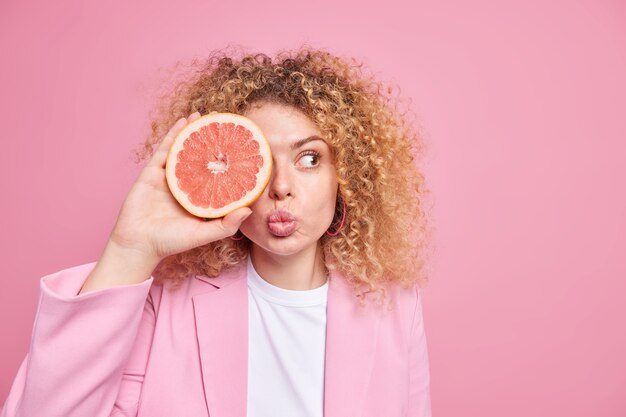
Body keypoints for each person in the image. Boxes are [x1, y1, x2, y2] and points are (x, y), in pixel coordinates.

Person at [1, 46, 432, 417]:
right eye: (259, 160)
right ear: (227, 173)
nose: (281, 186)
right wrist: (128, 249)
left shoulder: (394, 307)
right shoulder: (163, 302)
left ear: (347, 175)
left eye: (309, 159)